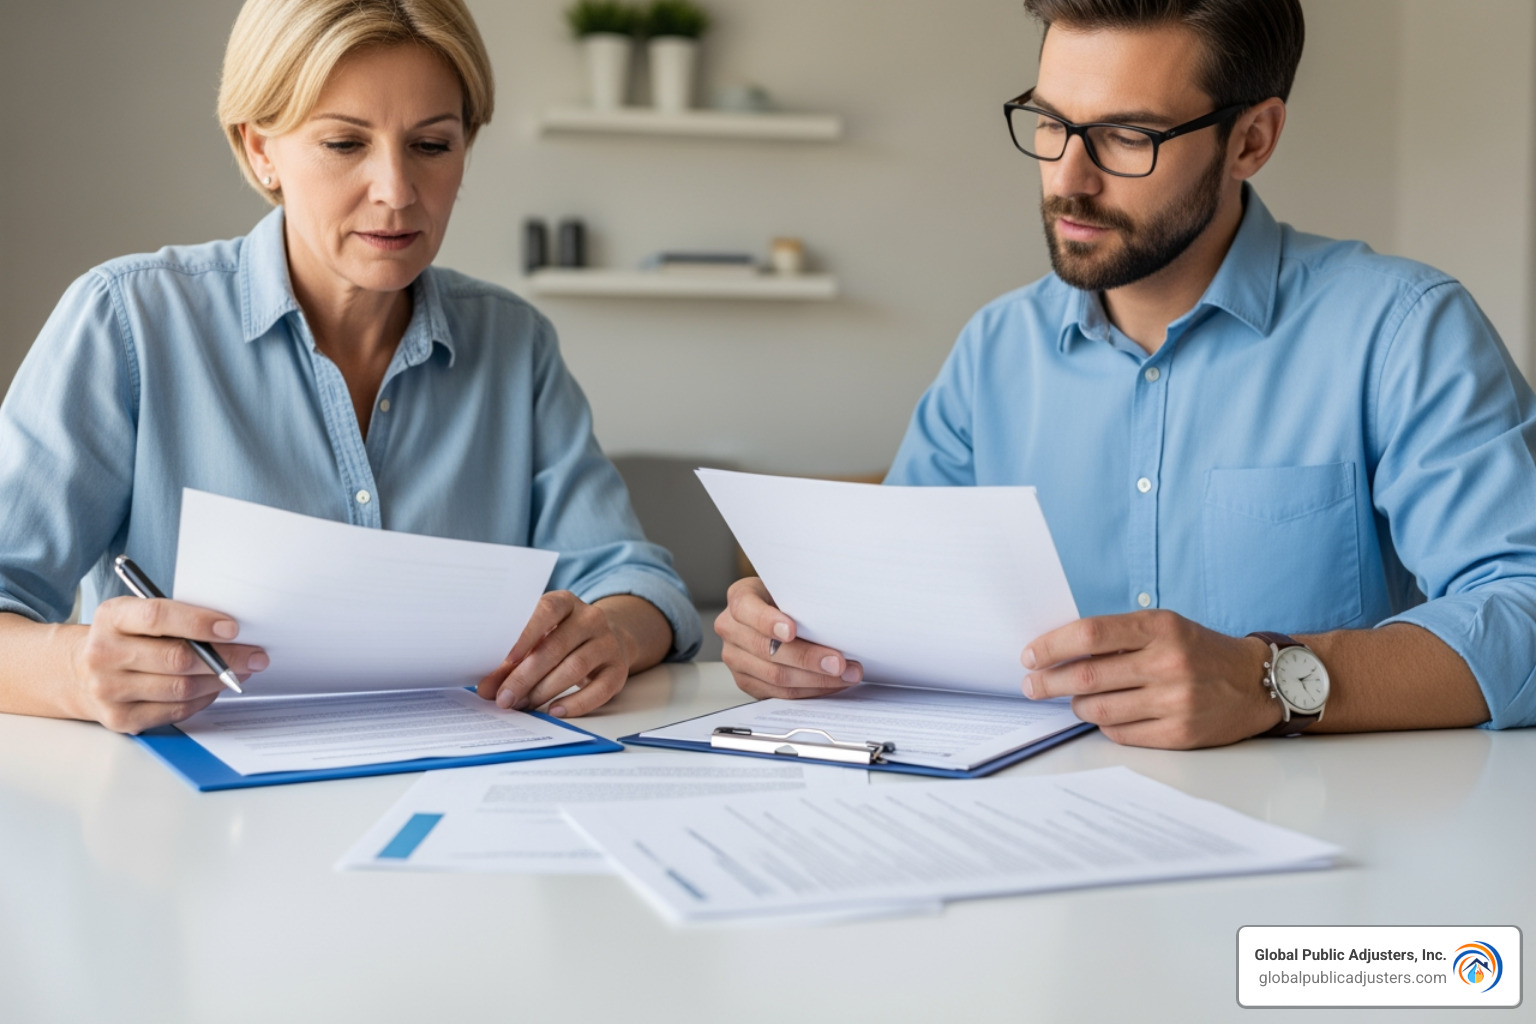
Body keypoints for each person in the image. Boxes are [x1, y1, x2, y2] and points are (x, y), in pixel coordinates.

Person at [716, 0, 1536, 747]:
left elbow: (1525, 608)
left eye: (1128, 136)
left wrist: (1269, 681)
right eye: (1051, 123)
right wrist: (795, 638)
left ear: (1252, 139)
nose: (1069, 179)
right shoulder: (994, 350)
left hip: (1324, 835)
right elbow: (892, 605)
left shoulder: (1403, 331)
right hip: (1032, 834)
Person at [0, 0, 700, 735]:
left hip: (459, 782)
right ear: (260, 149)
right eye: (343, 143)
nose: (396, 191)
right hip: (193, 796)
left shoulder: (514, 344)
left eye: (431, 144)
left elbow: (636, 581)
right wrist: (77, 671)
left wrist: (612, 633)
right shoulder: (127, 322)